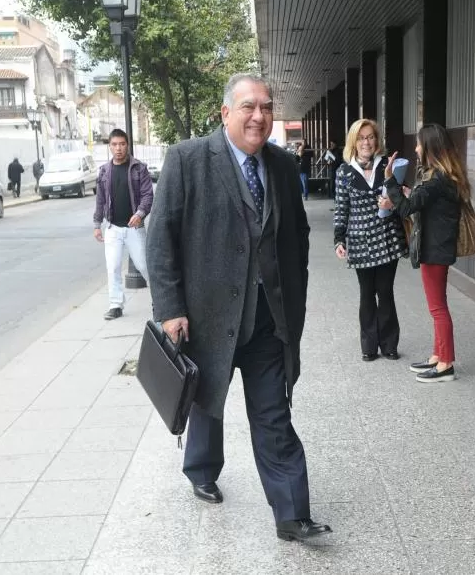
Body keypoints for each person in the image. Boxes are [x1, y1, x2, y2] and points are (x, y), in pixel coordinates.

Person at [146, 73, 332, 543]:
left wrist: (295, 302)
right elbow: (161, 238)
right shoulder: (187, 160)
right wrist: (170, 308)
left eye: (266, 107)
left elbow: (297, 241)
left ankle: (292, 514)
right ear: (226, 112)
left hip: (268, 320)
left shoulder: (284, 167)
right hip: (207, 316)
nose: (259, 116)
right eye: (248, 106)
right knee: (208, 401)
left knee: (273, 415)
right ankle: (202, 470)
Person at [378, 123, 466, 383]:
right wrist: (407, 192)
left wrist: (389, 178)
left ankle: (446, 364)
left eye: (418, 143)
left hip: (435, 250)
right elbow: (420, 203)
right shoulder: (441, 176)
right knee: (437, 307)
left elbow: (406, 210)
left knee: (438, 308)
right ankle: (438, 357)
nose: (415, 148)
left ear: (429, 147)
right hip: (437, 247)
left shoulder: (437, 178)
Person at [333, 118, 407, 362]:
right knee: (367, 293)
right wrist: (338, 239)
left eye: (370, 137)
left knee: (385, 291)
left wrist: (392, 203)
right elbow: (341, 208)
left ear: (377, 140)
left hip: (387, 237)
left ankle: (389, 345)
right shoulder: (344, 172)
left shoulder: (388, 165)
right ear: (354, 142)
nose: (366, 142)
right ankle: (368, 345)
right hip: (359, 240)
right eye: (361, 138)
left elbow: (404, 197)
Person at [93, 129, 154, 320]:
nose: (118, 148)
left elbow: (147, 195)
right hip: (113, 228)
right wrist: (97, 224)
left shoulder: (139, 168)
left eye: (122, 144)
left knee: (145, 266)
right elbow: (101, 199)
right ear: (109, 146)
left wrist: (140, 213)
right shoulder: (104, 171)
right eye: (114, 144)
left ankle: (161, 301)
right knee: (112, 267)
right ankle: (115, 305)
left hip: (134, 228)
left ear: (127, 145)